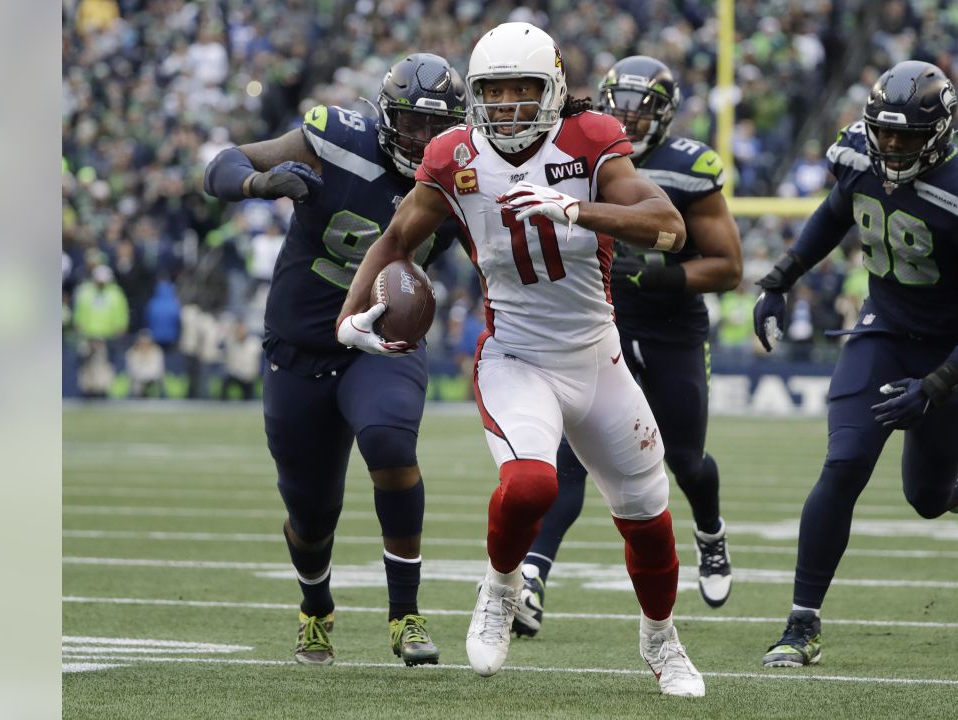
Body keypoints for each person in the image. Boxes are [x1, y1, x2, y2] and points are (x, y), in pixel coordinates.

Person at [337, 23, 705, 698]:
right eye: (493, 91)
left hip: (597, 358)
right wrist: (349, 316)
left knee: (649, 518)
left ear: (553, 90)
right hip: (516, 356)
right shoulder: (454, 154)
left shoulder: (590, 138)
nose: (506, 105)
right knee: (531, 485)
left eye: (521, 89)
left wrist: (576, 208)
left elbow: (669, 227)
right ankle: (501, 586)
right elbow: (395, 240)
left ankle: (660, 640)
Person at [752, 61, 958, 668]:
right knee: (845, 462)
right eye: (885, 132)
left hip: (950, 350)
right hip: (883, 331)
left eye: (907, 135)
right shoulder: (857, 155)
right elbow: (834, 212)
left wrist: (939, 384)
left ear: (940, 132)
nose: (893, 145)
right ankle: (802, 623)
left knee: (929, 498)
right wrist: (780, 279)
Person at [202, 53, 466, 667]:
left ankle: (405, 614)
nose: (423, 139)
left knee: (390, 443)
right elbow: (222, 163)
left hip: (382, 340)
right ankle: (315, 606)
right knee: (310, 511)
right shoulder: (336, 140)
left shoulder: (464, 174)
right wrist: (258, 184)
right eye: (411, 123)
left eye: (436, 127)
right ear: (383, 116)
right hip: (302, 347)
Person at [510, 56, 743, 641]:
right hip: (597, 324)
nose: (631, 119)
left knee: (684, 457)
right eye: (622, 106)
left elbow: (729, 266)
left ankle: (710, 534)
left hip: (670, 328)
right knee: (567, 464)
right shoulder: (581, 151)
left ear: (667, 114)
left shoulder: (688, 168)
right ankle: (534, 577)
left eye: (645, 109)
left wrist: (668, 279)